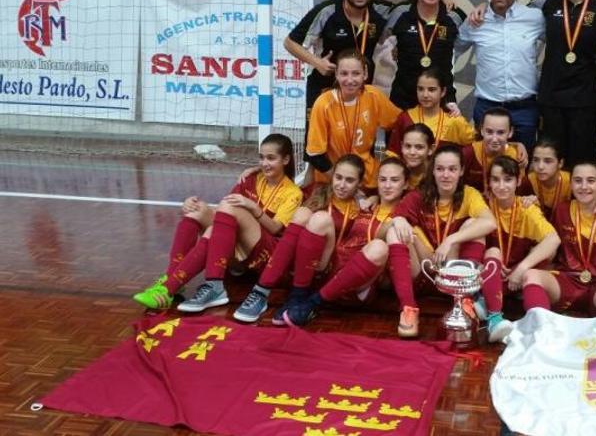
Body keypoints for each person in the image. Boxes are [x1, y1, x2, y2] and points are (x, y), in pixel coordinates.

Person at [132, 134, 303, 312]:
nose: (264, 163)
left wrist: (253, 208)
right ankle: (172, 281)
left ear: (286, 159)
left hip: (266, 254)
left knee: (228, 208)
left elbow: (276, 229)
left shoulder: (293, 192)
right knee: (196, 210)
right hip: (238, 248)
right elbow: (224, 215)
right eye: (261, 157)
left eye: (271, 158)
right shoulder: (251, 178)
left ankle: (205, 285)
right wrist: (194, 205)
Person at [275, 157, 411, 326]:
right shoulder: (366, 204)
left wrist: (396, 220)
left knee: (378, 247)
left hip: (361, 282)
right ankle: (298, 297)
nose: (387, 185)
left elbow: (384, 238)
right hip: (333, 271)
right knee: (319, 219)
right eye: (383, 180)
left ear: (406, 184)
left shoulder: (405, 214)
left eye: (395, 180)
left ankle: (313, 304)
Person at [234, 155, 366, 324]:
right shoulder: (318, 191)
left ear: (359, 184)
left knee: (321, 219)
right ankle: (264, 290)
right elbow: (289, 184)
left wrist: (371, 198)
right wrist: (257, 170)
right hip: (301, 264)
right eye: (338, 177)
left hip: (329, 268)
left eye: (349, 180)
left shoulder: (363, 206)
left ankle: (293, 293)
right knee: (303, 213)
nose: (341, 185)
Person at [285, 0, 392, 158]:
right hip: (325, 86)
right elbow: (290, 42)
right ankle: (313, 182)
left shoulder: (383, 11)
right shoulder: (326, 11)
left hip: (360, 89)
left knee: (361, 144)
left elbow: (414, 8)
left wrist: (444, 1)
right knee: (317, 148)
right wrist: (317, 63)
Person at [386, 144, 497, 337]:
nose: (446, 175)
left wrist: (451, 239)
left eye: (452, 169)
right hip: (425, 267)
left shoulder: (470, 194)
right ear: (433, 171)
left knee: (474, 225)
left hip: (452, 270)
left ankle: (464, 301)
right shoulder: (419, 195)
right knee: (396, 231)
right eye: (440, 169)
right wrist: (399, 219)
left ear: (461, 171)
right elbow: (389, 222)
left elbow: (490, 223)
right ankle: (409, 309)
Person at [520, 161, 596, 325]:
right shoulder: (562, 210)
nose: (584, 186)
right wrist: (531, 203)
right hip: (567, 281)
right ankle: (540, 328)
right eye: (578, 180)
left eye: (591, 181)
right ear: (571, 184)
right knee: (531, 275)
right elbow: (548, 244)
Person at [456, 0, 544, 153]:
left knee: (523, 167)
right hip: (486, 108)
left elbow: (561, 45)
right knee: (484, 168)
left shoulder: (535, 18)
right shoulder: (475, 20)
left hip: (525, 110)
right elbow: (451, 50)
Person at [481, 155, 561, 341]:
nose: (501, 186)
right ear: (489, 182)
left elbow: (553, 239)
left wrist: (522, 268)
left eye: (508, 180)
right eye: (495, 179)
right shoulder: (483, 205)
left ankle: (543, 331)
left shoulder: (526, 208)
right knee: (492, 252)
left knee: (544, 254)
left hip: (516, 276)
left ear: (518, 181)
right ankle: (493, 317)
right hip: (490, 273)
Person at [305, 48, 401, 191]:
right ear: (336, 74)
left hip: (366, 180)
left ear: (365, 74)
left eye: (356, 73)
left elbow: (402, 122)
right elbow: (315, 155)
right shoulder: (323, 104)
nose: (350, 80)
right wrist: (343, 184)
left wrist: (392, 155)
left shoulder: (373, 96)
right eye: (344, 74)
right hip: (332, 182)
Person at [383, 0, 466, 110]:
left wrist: (483, 6)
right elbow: (370, 28)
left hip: (442, 104)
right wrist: (397, 46)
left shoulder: (455, 16)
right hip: (403, 103)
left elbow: (481, 34)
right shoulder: (399, 12)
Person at [385, 68, 476, 155]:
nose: (425, 95)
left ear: (443, 91)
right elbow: (394, 153)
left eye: (431, 90)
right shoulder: (405, 118)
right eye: (420, 89)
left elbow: (475, 149)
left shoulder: (454, 121)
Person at [461, 107, 524, 193]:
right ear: (482, 130)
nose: (494, 139)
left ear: (510, 132)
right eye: (489, 132)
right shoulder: (468, 154)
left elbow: (520, 192)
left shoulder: (516, 156)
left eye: (500, 132)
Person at [517, 137, 571, 220]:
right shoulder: (526, 182)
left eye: (547, 161)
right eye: (536, 160)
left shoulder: (571, 183)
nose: (540, 167)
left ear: (560, 163)